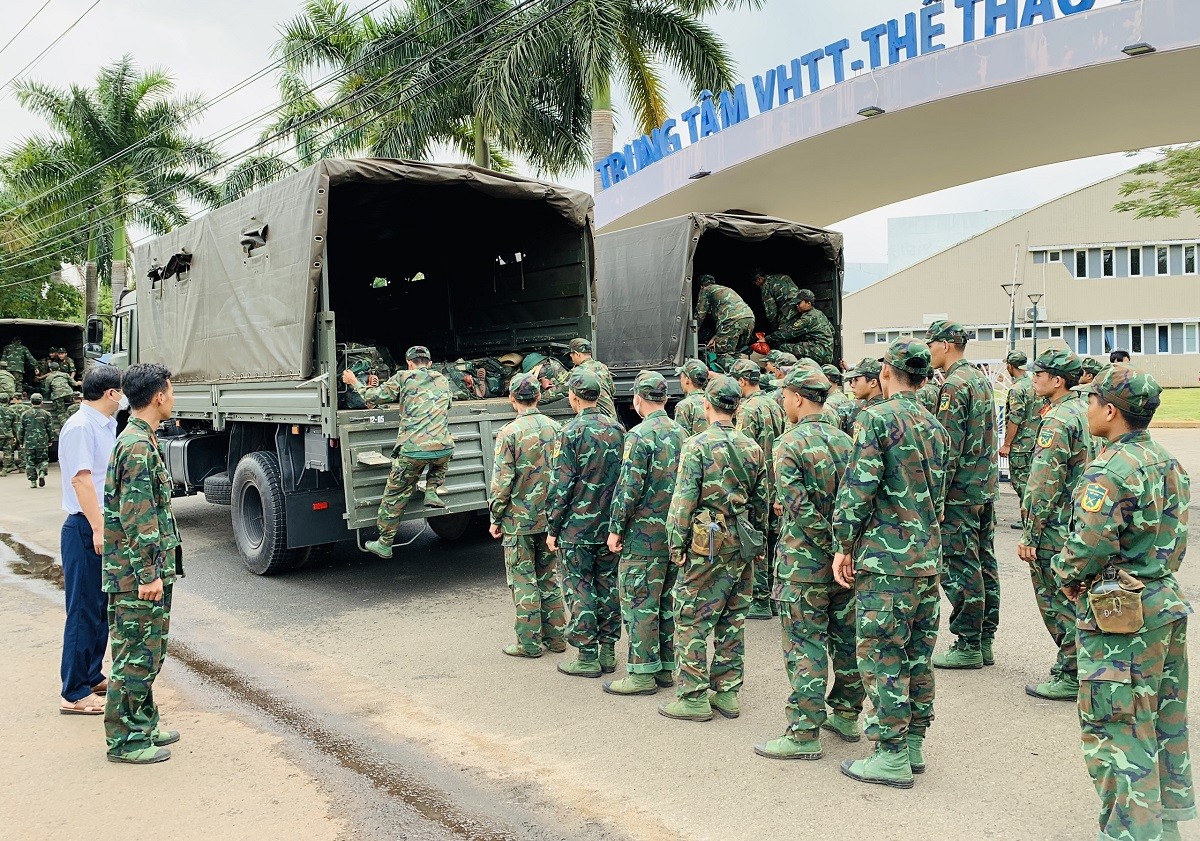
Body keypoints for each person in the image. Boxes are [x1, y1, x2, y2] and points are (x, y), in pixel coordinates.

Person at [1055, 366, 1193, 841]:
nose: (1087, 409)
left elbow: (1089, 546)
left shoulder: (1109, 470)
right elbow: (1176, 539)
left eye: (1091, 401)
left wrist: (1068, 577)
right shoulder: (1166, 461)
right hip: (1164, 604)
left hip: (1121, 620)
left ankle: (1133, 834)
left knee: (1117, 732)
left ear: (1110, 411)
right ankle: (1164, 827)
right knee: (1162, 723)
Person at [832, 339, 949, 788]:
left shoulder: (875, 418)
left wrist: (843, 543)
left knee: (881, 654)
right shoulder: (934, 425)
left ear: (886, 371)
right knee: (917, 655)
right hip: (925, 558)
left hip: (886, 560)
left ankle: (891, 754)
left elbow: (859, 487)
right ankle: (914, 742)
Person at [754, 365, 860, 760]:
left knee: (805, 644)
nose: (783, 402)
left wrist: (830, 546)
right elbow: (856, 502)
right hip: (846, 562)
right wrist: (844, 548)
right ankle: (848, 715)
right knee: (846, 640)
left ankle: (804, 733)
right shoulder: (847, 441)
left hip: (805, 565)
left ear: (798, 397)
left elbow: (798, 509)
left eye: (785, 396)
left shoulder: (789, 444)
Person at [661, 375, 767, 722]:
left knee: (691, 615)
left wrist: (676, 544)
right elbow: (761, 501)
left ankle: (692, 696)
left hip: (707, 539)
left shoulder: (696, 446)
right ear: (736, 407)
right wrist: (761, 540)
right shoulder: (752, 446)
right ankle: (728, 692)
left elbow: (684, 500)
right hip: (741, 538)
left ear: (707, 405)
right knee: (733, 616)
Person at [103, 362, 181, 764]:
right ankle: (125, 741)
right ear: (159, 397)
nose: (173, 397)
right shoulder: (135, 447)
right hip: (137, 577)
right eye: (171, 390)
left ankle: (144, 724)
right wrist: (148, 573)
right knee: (135, 656)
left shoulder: (140, 439)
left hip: (140, 572)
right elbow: (138, 516)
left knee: (148, 653)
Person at [1017, 349, 1095, 701]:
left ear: (1057, 380)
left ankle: (1071, 670)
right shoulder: (1083, 410)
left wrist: (1031, 533)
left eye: (1039, 375)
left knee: (1056, 600)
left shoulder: (1058, 420)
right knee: (1078, 597)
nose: (1034, 380)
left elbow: (1044, 481)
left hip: (1055, 526)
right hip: (1081, 521)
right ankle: (1081, 666)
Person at [925, 320, 1000, 670]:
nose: (929, 352)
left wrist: (937, 498)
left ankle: (968, 641)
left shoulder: (954, 385)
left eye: (931, 345)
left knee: (959, 565)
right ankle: (984, 639)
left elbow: (949, 448)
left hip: (960, 491)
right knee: (984, 561)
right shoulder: (980, 378)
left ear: (944, 345)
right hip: (982, 486)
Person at [604, 371, 683, 695]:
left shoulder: (638, 437)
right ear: (664, 399)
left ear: (637, 399)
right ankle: (665, 668)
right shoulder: (681, 433)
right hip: (673, 534)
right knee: (665, 602)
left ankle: (640, 674)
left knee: (639, 603)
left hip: (642, 537)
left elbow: (628, 489)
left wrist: (615, 529)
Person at [545, 368, 625, 678]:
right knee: (607, 585)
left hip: (576, 528)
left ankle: (588, 655)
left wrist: (552, 528)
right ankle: (608, 651)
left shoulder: (571, 432)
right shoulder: (618, 429)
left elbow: (562, 485)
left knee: (579, 587)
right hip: (608, 527)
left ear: (574, 398)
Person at [342, 346, 454, 559]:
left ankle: (384, 543)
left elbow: (375, 396)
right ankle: (431, 490)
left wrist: (353, 381)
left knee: (394, 495)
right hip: (444, 447)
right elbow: (447, 405)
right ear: (429, 363)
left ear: (410, 363)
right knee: (439, 460)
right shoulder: (442, 379)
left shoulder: (403, 376)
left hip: (413, 451)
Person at [57, 365, 123, 716]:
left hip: (98, 525)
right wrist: (99, 528)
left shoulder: (105, 424)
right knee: (83, 610)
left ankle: (92, 675)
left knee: (99, 609)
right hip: (85, 527)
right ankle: (73, 691)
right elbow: (82, 482)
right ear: (111, 394)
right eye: (122, 391)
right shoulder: (81, 427)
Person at [488, 372, 567, 658]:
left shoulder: (509, 433)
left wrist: (495, 518)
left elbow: (502, 482)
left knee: (523, 579)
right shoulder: (556, 428)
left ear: (511, 398)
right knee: (549, 578)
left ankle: (529, 644)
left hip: (518, 521)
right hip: (550, 520)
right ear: (539, 396)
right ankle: (557, 639)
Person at [731, 358, 785, 620]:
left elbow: (743, 450)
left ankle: (761, 599)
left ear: (742, 381)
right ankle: (773, 597)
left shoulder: (746, 410)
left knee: (755, 537)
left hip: (757, 481)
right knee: (772, 538)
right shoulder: (774, 404)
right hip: (776, 479)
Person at [1000, 350, 1041, 531]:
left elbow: (1015, 418)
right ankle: (1029, 520)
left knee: (1021, 484)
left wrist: (1007, 444)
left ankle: (1029, 522)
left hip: (1021, 445)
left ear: (1011, 366)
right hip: (1036, 442)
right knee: (1032, 483)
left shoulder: (1017, 389)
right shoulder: (1035, 385)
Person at [694, 274, 755, 373]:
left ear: (701, 285)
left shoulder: (706, 290)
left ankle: (743, 375)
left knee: (723, 354)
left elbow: (700, 314)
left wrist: (692, 333)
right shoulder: (724, 289)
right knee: (735, 353)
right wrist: (716, 336)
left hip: (732, 321)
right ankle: (745, 378)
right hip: (749, 319)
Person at [767, 289, 834, 366]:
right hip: (828, 353)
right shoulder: (819, 313)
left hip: (818, 352)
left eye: (799, 303)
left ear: (808, 303)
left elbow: (787, 334)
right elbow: (832, 331)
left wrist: (767, 338)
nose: (797, 305)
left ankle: (789, 370)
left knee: (783, 347)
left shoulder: (807, 319)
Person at [568, 338, 617, 419]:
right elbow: (613, 391)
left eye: (571, 356)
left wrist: (541, 398)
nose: (572, 359)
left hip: (596, 418)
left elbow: (558, 391)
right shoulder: (603, 367)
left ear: (577, 354)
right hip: (611, 417)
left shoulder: (577, 372)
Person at [18, 392, 53, 489]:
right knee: (43, 460)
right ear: (41, 402)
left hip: (29, 442)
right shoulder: (46, 414)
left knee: (30, 462)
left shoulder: (25, 414)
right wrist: (50, 439)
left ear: (30, 402)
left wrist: (21, 442)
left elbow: (20, 430)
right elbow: (50, 429)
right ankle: (42, 473)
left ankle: (33, 482)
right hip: (42, 442)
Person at [846, 357, 885, 434]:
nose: (852, 385)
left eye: (856, 380)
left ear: (873, 382)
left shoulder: (869, 414)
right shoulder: (891, 407)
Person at [674, 358, 711, 438]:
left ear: (687, 380)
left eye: (681, 377)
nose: (680, 380)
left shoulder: (684, 406)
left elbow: (681, 439)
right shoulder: (712, 401)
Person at [0, 392, 16, 476]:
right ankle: (4, 470)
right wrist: (15, 436)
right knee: (7, 453)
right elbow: (14, 425)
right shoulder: (12, 411)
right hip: (8, 435)